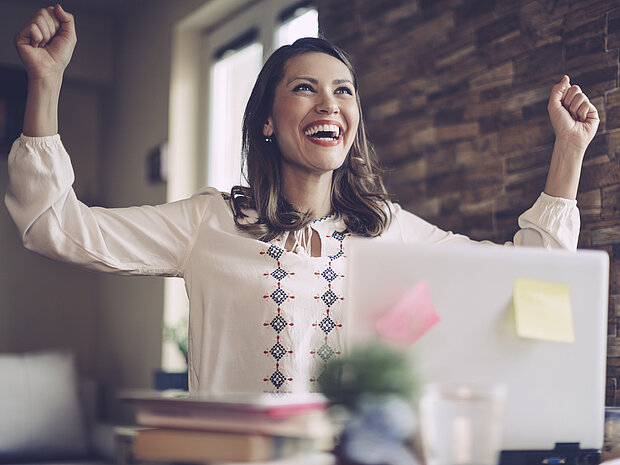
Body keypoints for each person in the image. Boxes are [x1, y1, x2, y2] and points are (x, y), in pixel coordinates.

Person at [5, 5, 599, 394]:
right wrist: (46, 82)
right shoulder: (210, 221)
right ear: (267, 119)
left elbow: (524, 274)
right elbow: (54, 225)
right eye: (305, 89)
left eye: (343, 92)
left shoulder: (388, 230)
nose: (329, 104)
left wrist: (568, 152)